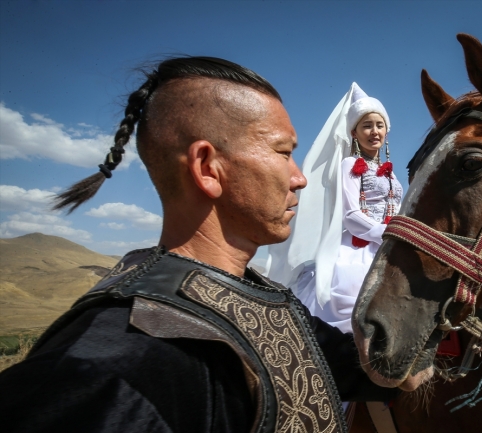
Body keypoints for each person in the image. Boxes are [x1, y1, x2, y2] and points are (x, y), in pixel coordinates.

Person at [0, 58, 396, 433]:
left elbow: (379, 374)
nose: (300, 179)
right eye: (283, 153)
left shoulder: (276, 306)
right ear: (208, 168)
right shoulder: (109, 371)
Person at [267, 83, 403, 334]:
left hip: (394, 243)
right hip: (361, 248)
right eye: (367, 125)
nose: (374, 131)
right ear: (354, 132)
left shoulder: (391, 173)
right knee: (352, 302)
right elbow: (351, 216)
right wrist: (387, 233)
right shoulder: (349, 165)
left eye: (379, 125)